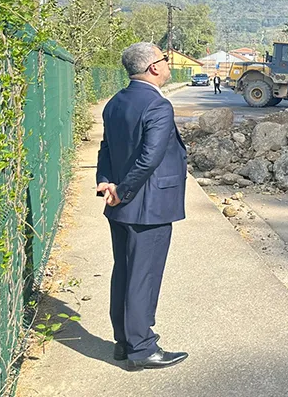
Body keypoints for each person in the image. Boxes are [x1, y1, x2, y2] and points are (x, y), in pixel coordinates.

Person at [96, 42, 189, 371]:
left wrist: (106, 181)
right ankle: (142, 348)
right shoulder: (158, 106)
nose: (167, 65)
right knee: (143, 275)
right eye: (165, 60)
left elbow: (106, 147)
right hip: (148, 205)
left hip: (120, 204)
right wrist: (122, 189)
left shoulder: (114, 103)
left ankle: (124, 340)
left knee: (124, 270)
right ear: (153, 67)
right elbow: (150, 157)